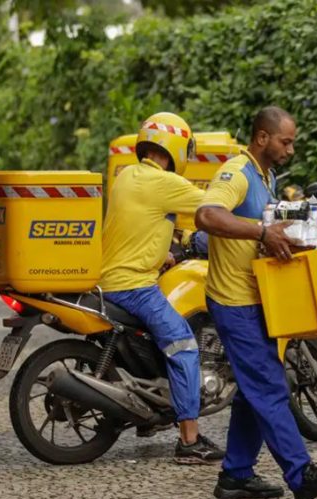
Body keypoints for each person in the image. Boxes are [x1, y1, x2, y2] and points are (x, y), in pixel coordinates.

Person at [195, 106, 317, 499]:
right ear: (262, 138)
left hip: (257, 297)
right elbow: (207, 215)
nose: (291, 148)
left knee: (253, 390)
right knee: (268, 385)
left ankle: (235, 475)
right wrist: (262, 231)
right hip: (233, 301)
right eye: (286, 141)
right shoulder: (237, 173)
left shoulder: (267, 177)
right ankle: (302, 476)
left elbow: (264, 231)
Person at [99, 112, 225, 464]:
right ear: (176, 146)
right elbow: (214, 208)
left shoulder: (127, 177)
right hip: (134, 286)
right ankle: (189, 441)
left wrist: (164, 255)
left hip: (110, 279)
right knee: (184, 346)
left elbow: (140, 225)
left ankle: (150, 416)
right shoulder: (163, 183)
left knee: (159, 341)